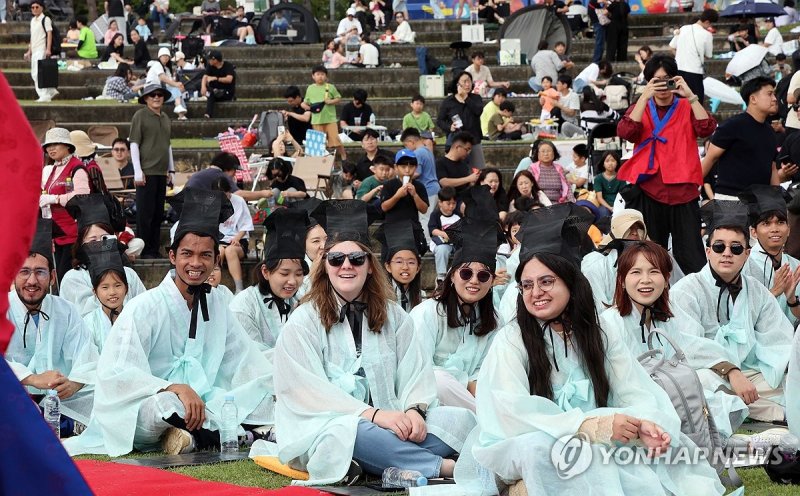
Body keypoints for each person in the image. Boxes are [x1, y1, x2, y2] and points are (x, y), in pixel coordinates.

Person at [474, 203, 727, 495]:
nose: (535, 293)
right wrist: (592, 426)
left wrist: (642, 424)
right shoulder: (512, 338)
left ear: (571, 283)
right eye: (526, 285)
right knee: (540, 449)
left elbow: (634, 389)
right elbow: (511, 412)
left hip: (598, 444)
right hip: (532, 441)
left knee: (668, 450)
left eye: (546, 282)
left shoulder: (599, 332)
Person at [260, 200, 475, 485]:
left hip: (394, 420)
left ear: (370, 266)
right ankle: (448, 468)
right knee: (352, 434)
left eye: (356, 259)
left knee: (460, 419)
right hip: (333, 425)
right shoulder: (303, 321)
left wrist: (413, 411)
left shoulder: (394, 315)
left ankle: (386, 461)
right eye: (336, 259)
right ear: (324, 265)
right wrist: (372, 415)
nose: (346, 265)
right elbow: (306, 392)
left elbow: (415, 371)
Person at [64, 189, 275, 457]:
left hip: (205, 399)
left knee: (263, 390)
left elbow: (243, 360)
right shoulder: (145, 306)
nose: (196, 263)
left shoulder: (218, 303)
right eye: (187, 254)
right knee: (164, 406)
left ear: (215, 259)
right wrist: (171, 387)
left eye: (206, 255)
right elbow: (118, 373)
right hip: (153, 404)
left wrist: (267, 384)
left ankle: (195, 436)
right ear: (173, 256)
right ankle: (222, 433)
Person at [598, 240, 748, 439]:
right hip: (636, 406)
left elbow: (691, 348)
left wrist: (730, 369)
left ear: (667, 278)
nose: (646, 280)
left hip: (665, 393)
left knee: (711, 384)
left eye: (654, 272)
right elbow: (622, 387)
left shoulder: (662, 320)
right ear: (622, 281)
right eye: (636, 272)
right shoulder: (611, 323)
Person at [671, 200, 794, 422]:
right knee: (700, 385)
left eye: (736, 248)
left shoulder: (756, 291)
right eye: (719, 246)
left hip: (751, 374)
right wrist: (730, 370)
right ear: (708, 251)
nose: (727, 253)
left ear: (747, 253)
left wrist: (787, 367)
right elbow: (686, 344)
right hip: (710, 371)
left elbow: (777, 337)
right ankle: (774, 413)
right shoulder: (686, 289)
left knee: (792, 384)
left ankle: (750, 409)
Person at [616, 54, 715, 275]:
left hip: (684, 191)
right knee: (650, 255)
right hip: (650, 189)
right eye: (656, 79)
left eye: (667, 78)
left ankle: (702, 302)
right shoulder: (641, 106)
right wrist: (643, 97)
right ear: (648, 80)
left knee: (692, 256)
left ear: (676, 79)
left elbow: (706, 128)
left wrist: (690, 95)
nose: (662, 85)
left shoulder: (686, 105)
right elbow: (626, 132)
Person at [411, 191, 501, 412]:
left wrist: (476, 385)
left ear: (492, 282)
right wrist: (465, 385)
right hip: (428, 401)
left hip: (473, 398)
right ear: (452, 275)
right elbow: (418, 370)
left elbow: (486, 370)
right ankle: (489, 419)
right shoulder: (427, 313)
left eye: (483, 276)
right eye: (466, 273)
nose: (474, 281)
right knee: (438, 379)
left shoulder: (495, 320)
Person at [6, 219, 98, 432]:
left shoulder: (66, 310)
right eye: (24, 271)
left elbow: (87, 355)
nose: (32, 281)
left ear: (53, 277)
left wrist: (74, 383)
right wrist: (33, 379)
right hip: (11, 397)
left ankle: (57, 423)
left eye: (40, 272)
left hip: (59, 401)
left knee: (106, 398)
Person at [229, 209, 308, 357]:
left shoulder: (301, 300)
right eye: (284, 273)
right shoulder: (244, 306)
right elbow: (251, 356)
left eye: (299, 274)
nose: (292, 281)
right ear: (266, 272)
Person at [703, 77, 797, 199]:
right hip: (730, 200)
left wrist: (776, 200)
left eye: (774, 94)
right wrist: (690, 189)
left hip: (760, 202)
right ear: (753, 99)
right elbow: (709, 159)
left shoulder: (769, 131)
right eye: (769, 94)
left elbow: (772, 168)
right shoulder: (731, 126)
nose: (775, 99)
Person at [61, 194, 146, 316]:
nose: (100, 244)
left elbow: (144, 308)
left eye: (104, 238)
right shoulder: (73, 279)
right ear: (81, 243)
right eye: (93, 240)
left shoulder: (129, 274)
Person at [740, 185, 800, 324]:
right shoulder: (743, 265)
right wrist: (774, 292)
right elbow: (739, 317)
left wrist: (792, 300)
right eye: (766, 223)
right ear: (753, 232)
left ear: (789, 229)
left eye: (780, 222)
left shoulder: (796, 266)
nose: (775, 229)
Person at [39, 128, 91, 281]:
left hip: (72, 234)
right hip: (56, 233)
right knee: (58, 277)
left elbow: (83, 195)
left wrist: (55, 199)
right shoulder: (54, 168)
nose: (51, 149)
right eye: (48, 146)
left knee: (66, 277)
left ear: (67, 146)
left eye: (55, 144)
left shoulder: (77, 167)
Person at [131, 83, 175, 259]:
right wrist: (137, 170)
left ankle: (153, 249)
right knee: (145, 213)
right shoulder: (140, 116)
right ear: (146, 99)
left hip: (161, 172)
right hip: (146, 172)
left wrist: (171, 169)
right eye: (152, 95)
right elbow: (134, 143)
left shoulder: (165, 117)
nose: (156, 97)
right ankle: (144, 249)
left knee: (158, 213)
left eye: (159, 94)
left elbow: (168, 145)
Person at [81, 238, 129, 353]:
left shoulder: (134, 317)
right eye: (105, 287)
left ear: (126, 288)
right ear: (95, 292)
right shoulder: (89, 322)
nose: (112, 292)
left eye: (118, 285)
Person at [211, 178, 252, 295]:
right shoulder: (211, 203)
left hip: (238, 240)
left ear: (229, 192)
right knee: (219, 251)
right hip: (219, 240)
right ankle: (214, 286)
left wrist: (237, 238)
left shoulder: (239, 201)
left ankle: (239, 288)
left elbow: (245, 226)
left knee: (230, 251)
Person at [437, 72, 485, 169]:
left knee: (478, 170)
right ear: (457, 84)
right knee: (457, 170)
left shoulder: (476, 98)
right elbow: (440, 121)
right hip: (456, 142)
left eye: (469, 81)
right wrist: (449, 127)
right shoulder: (448, 102)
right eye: (464, 81)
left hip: (474, 140)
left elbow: (477, 111)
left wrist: (465, 97)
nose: (468, 84)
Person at [669, 9, 717, 104]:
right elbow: (708, 55)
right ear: (707, 22)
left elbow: (671, 47)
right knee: (696, 102)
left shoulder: (683, 28)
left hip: (677, 71)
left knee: (674, 102)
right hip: (695, 73)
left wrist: (680, 56)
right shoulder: (707, 35)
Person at [185, 152, 272, 202]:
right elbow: (240, 195)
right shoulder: (220, 174)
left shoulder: (201, 174)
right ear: (228, 168)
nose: (234, 175)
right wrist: (262, 194)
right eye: (235, 171)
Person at [378, 220, 424, 312]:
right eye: (399, 262)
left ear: (418, 268)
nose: (405, 267)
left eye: (411, 262)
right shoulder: (379, 296)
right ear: (388, 266)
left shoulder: (422, 297)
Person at [302, 65, 346, 160]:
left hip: (330, 118)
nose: (320, 76)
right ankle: (322, 160)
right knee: (319, 142)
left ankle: (344, 157)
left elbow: (338, 98)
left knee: (335, 139)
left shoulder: (330, 87)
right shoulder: (310, 88)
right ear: (313, 76)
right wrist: (306, 107)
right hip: (317, 119)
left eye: (322, 74)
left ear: (326, 76)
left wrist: (330, 101)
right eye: (318, 74)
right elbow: (305, 102)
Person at [25, 0, 58, 103]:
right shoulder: (33, 21)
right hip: (35, 50)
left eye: (37, 7)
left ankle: (44, 95)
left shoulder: (45, 19)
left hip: (41, 49)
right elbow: (32, 37)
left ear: (42, 8)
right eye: (33, 7)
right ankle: (50, 91)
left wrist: (48, 49)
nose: (35, 9)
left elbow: (49, 34)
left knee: (37, 73)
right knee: (36, 73)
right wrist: (29, 51)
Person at [525, 140, 573, 204]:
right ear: (538, 154)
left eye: (549, 151)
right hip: (538, 204)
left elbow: (567, 188)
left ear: (554, 153)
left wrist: (572, 202)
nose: (546, 154)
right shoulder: (532, 169)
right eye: (543, 151)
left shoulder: (559, 169)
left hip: (558, 204)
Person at [146, 47, 187, 120]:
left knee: (177, 92)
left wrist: (179, 87)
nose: (166, 58)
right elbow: (163, 78)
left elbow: (170, 82)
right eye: (164, 56)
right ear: (160, 57)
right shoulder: (157, 64)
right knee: (176, 89)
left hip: (161, 89)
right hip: (151, 89)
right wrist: (176, 84)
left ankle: (181, 112)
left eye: (167, 56)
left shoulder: (167, 69)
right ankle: (180, 110)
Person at [200, 50, 235, 119]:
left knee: (212, 94)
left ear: (215, 60)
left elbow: (229, 79)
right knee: (210, 92)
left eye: (210, 59)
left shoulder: (228, 66)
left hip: (226, 91)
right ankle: (207, 113)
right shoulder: (210, 66)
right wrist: (203, 86)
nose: (209, 61)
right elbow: (205, 76)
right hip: (214, 89)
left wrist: (216, 78)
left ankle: (208, 114)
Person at [593, 150, 624, 215]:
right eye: (607, 161)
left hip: (619, 204)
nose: (610, 163)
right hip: (604, 206)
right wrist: (610, 208)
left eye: (613, 160)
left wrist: (617, 207)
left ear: (617, 163)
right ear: (603, 164)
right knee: (604, 213)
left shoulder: (621, 177)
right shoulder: (598, 179)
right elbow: (599, 198)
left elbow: (622, 195)